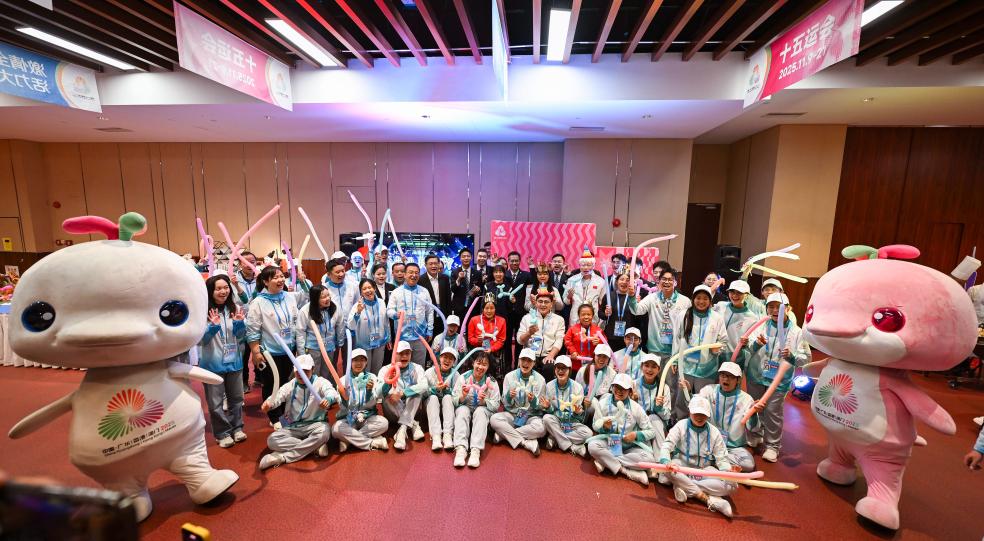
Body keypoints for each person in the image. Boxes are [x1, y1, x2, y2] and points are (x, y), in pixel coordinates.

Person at [742, 292, 811, 463]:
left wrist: (792, 356)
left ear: (788, 309)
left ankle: (772, 445)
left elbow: (806, 358)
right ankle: (755, 435)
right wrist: (756, 344)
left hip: (779, 380)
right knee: (755, 406)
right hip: (756, 375)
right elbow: (747, 348)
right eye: (771, 307)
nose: (774, 311)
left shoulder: (797, 332)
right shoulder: (760, 326)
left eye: (779, 308)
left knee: (773, 412)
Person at [247, 266, 307, 426]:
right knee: (272, 384)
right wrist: (256, 352)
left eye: (281, 276)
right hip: (270, 352)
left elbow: (308, 296)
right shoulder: (258, 303)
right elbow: (252, 330)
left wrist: (303, 281)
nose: (280, 280)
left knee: (287, 384)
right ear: (265, 282)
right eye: (275, 277)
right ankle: (274, 417)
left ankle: (285, 413)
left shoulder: (289, 297)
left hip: (289, 350)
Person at [659, 396, 737, 518]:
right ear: (690, 411)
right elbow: (666, 445)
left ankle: (682, 486)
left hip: (703, 469)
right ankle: (709, 500)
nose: (699, 417)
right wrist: (666, 461)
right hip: (681, 466)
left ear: (708, 415)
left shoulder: (714, 432)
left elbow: (722, 459)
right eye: (696, 413)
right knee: (668, 471)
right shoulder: (680, 425)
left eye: (703, 414)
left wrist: (728, 472)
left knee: (732, 486)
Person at [259, 354, 340, 470]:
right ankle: (314, 448)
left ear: (313, 369)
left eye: (306, 371)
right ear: (294, 370)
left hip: (316, 425)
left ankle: (282, 457)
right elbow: (278, 396)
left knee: (325, 432)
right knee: (272, 440)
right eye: (298, 371)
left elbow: (332, 393)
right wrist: (269, 403)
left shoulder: (320, 382)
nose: (302, 374)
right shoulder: (290, 385)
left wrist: (328, 399)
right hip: (293, 426)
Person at [198, 275, 247, 448]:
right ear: (210, 291)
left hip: (235, 362)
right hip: (213, 364)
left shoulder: (235, 308)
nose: (223, 291)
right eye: (218, 288)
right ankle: (222, 433)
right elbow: (200, 341)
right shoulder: (202, 311)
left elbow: (241, 337)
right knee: (215, 403)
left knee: (237, 398)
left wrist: (240, 325)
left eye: (226, 287)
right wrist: (212, 327)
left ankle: (237, 427)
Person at [588, 373, 657, 487]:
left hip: (629, 448)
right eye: (617, 387)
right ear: (612, 387)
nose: (619, 391)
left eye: (624, 389)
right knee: (592, 446)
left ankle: (606, 461)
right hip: (609, 443)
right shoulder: (603, 403)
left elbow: (651, 431)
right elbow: (595, 425)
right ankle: (627, 471)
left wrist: (636, 435)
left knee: (649, 459)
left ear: (630, 391)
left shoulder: (636, 408)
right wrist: (604, 428)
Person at [672, 285, 729, 420]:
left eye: (705, 298)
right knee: (682, 397)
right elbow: (677, 338)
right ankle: (680, 422)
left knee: (703, 399)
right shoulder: (684, 315)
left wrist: (717, 349)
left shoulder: (717, 318)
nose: (701, 301)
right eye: (698, 298)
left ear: (710, 301)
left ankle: (701, 424)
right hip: (685, 366)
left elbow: (723, 341)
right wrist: (674, 359)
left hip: (707, 368)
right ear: (693, 299)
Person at [697, 362, 761, 472]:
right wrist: (687, 391)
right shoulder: (709, 391)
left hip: (733, 447)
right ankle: (720, 463)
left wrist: (753, 414)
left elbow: (753, 428)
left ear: (738, 380)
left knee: (748, 465)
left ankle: (712, 461)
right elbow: (695, 405)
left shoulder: (746, 399)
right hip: (709, 442)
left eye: (731, 377)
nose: (726, 379)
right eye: (723, 375)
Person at [491, 348, 547, 456]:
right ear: (518, 360)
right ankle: (526, 442)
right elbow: (505, 403)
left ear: (534, 363)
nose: (525, 363)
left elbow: (541, 406)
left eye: (529, 360)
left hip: (531, 416)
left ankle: (503, 435)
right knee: (494, 419)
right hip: (512, 414)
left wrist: (534, 401)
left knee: (542, 429)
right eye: (523, 359)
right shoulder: (509, 377)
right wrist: (509, 396)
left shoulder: (540, 380)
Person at [332, 349, 389, 452]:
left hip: (367, 417)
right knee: (335, 429)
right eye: (355, 360)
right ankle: (372, 442)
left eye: (362, 360)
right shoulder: (343, 380)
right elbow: (343, 407)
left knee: (384, 423)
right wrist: (344, 398)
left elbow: (373, 403)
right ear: (350, 362)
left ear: (366, 362)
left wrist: (369, 392)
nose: (359, 363)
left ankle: (348, 440)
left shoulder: (372, 377)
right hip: (349, 418)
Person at [452, 351, 501, 468]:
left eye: (484, 364)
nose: (480, 367)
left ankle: (475, 450)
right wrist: (463, 396)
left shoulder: (492, 382)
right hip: (466, 408)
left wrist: (484, 402)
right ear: (473, 363)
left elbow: (496, 405)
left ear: (488, 367)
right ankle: (461, 449)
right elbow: (453, 400)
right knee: (463, 410)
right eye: (478, 363)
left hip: (482, 413)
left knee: (480, 411)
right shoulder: (463, 378)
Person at [628, 267, 691, 358]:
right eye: (664, 279)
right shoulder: (652, 298)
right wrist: (632, 297)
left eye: (670, 279)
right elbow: (636, 310)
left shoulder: (685, 301)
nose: (667, 282)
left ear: (675, 282)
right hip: (655, 349)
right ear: (659, 281)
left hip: (675, 350)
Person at [378, 341, 427, 451]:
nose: (404, 356)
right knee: (388, 396)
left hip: (413, 409)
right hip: (393, 411)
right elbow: (378, 394)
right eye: (401, 353)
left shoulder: (417, 368)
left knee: (416, 393)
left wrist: (403, 393)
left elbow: (424, 385)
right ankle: (413, 424)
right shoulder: (385, 369)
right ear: (394, 354)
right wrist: (388, 383)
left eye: (407, 353)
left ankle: (402, 429)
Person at [541, 356, 591, 456]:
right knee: (546, 418)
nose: (560, 371)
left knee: (588, 434)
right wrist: (548, 407)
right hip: (556, 421)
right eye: (558, 368)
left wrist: (577, 413)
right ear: (555, 369)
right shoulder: (549, 385)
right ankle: (572, 447)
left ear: (569, 370)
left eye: (564, 368)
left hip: (571, 423)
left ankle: (555, 437)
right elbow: (550, 411)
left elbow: (580, 418)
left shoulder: (578, 387)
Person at [386, 262, 434, 368]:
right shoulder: (396, 292)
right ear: (405, 274)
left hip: (420, 336)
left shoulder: (424, 291)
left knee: (419, 366)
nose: (414, 275)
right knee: (401, 365)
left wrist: (430, 330)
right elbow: (389, 310)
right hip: (402, 336)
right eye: (411, 272)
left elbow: (430, 311)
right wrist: (395, 314)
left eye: (416, 273)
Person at [294, 285, 343, 381]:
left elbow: (340, 325)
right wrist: (301, 353)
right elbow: (300, 332)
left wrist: (340, 342)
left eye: (328, 295)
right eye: (323, 297)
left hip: (329, 347)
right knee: (314, 374)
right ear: (315, 299)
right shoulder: (305, 310)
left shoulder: (335, 307)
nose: (327, 299)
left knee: (327, 373)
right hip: (313, 348)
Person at [517, 289, 566, 379]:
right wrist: (529, 333)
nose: (543, 304)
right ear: (536, 303)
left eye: (546, 302)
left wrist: (551, 355)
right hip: (530, 354)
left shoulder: (559, 319)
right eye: (540, 301)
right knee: (528, 366)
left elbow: (559, 340)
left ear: (551, 304)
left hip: (548, 354)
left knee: (549, 367)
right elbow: (520, 341)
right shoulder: (527, 318)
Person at [347, 279, 391, 375]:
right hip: (364, 344)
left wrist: (388, 338)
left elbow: (386, 322)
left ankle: (375, 384)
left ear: (374, 288)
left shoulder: (381, 302)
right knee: (365, 370)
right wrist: (358, 312)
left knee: (377, 369)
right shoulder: (357, 306)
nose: (368, 290)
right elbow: (351, 326)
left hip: (380, 342)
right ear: (361, 292)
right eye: (364, 289)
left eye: (370, 287)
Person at [632, 353, 671, 460]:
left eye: (654, 366)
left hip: (656, 423)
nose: (649, 369)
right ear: (641, 367)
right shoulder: (633, 384)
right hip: (638, 421)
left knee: (653, 418)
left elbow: (667, 417)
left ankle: (661, 460)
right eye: (646, 365)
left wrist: (659, 408)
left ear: (659, 369)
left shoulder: (664, 388)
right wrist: (633, 402)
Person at [713, 280, 759, 368]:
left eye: (739, 293)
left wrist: (747, 342)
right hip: (714, 353)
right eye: (732, 292)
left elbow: (751, 342)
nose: (734, 296)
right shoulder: (720, 306)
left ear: (747, 295)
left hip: (735, 358)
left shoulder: (752, 318)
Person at [425, 348, 461, 451]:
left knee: (448, 397)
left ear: (454, 362)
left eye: (451, 359)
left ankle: (447, 434)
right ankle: (436, 436)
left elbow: (458, 396)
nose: (447, 360)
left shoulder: (456, 375)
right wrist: (435, 389)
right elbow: (422, 394)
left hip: (448, 407)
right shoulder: (429, 372)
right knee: (433, 398)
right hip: (431, 406)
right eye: (445, 357)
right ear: (439, 358)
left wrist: (448, 390)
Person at [466, 294, 508, 382]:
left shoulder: (501, 321)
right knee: (481, 358)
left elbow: (501, 340)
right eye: (486, 308)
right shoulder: (474, 320)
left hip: (493, 352)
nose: (489, 311)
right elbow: (470, 339)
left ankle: (490, 381)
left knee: (490, 359)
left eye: (492, 308)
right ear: (483, 309)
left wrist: (491, 349)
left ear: (495, 309)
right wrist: (478, 341)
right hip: (477, 350)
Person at [599, 271, 645, 347]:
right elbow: (600, 313)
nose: (624, 282)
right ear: (617, 282)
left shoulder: (634, 298)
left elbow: (640, 319)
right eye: (622, 279)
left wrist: (637, 305)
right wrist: (606, 314)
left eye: (627, 280)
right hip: (611, 336)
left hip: (629, 337)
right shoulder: (609, 296)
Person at [563, 248, 607, 327]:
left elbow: (602, 303)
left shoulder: (601, 281)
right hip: (575, 318)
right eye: (583, 265)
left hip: (593, 318)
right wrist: (569, 297)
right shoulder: (572, 280)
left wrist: (601, 320)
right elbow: (566, 301)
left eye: (588, 265)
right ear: (579, 266)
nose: (586, 268)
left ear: (593, 266)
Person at [575, 343, 617, 422]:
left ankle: (601, 423)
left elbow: (611, 394)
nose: (601, 359)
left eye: (605, 357)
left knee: (607, 396)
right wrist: (583, 400)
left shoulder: (612, 373)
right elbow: (576, 391)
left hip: (601, 404)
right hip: (585, 403)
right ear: (594, 355)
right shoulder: (583, 370)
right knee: (592, 403)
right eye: (599, 355)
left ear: (608, 359)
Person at [322, 258, 358, 349]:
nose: (341, 274)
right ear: (329, 274)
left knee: (350, 356)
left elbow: (357, 306)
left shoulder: (353, 286)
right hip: (331, 332)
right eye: (337, 272)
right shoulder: (324, 289)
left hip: (350, 329)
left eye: (343, 271)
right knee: (332, 357)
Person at [564, 304, 604, 373]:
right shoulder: (572, 329)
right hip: (576, 364)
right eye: (583, 314)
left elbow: (605, 344)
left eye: (589, 314)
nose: (586, 317)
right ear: (579, 316)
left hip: (593, 365)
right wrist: (572, 351)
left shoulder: (598, 330)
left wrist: (599, 343)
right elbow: (567, 340)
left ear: (592, 316)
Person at [420, 254, 452, 336]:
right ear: (425, 265)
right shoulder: (420, 280)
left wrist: (448, 317)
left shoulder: (445, 278)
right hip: (428, 317)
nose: (433, 266)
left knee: (442, 339)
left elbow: (448, 299)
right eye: (430, 264)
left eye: (435, 263)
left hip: (443, 315)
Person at [451, 248, 480, 318]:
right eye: (463, 256)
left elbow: (480, 290)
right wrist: (458, 279)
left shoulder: (477, 273)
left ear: (471, 258)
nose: (466, 258)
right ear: (460, 258)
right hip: (459, 307)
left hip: (473, 307)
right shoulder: (455, 272)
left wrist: (478, 290)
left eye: (468, 256)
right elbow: (453, 289)